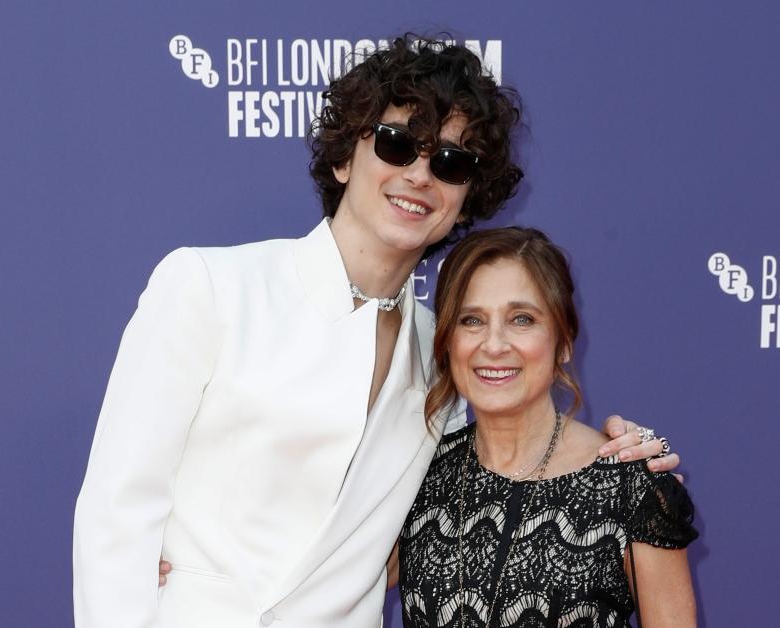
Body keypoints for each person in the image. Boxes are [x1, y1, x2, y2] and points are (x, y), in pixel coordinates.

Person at [75, 35, 680, 628]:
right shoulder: (209, 287)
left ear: (466, 199)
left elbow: (483, 486)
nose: (420, 175)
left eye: (450, 160)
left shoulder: (445, 355)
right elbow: (117, 514)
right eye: (396, 144)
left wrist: (624, 452)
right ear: (343, 158)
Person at [395, 227, 697, 627]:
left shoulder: (630, 483)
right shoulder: (418, 474)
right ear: (448, 341)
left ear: (565, 340)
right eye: (472, 320)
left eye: (522, 319)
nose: (494, 344)